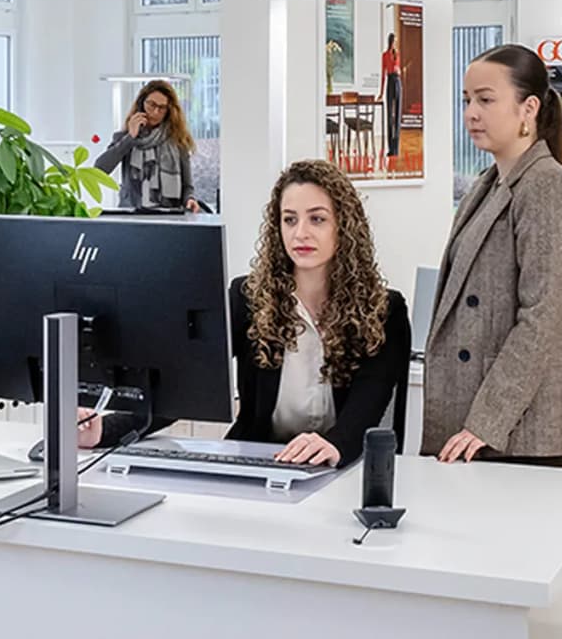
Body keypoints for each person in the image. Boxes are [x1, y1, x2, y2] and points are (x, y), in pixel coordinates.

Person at [85, 160, 410, 467]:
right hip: (258, 459)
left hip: (340, 466)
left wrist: (335, 445)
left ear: (344, 225)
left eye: (317, 219)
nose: (300, 234)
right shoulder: (249, 299)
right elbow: (191, 386)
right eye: (290, 219)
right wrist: (107, 428)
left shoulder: (384, 311)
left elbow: (367, 410)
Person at [425, 43, 562, 468]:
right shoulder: (487, 185)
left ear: (528, 108)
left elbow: (541, 320)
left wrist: (485, 422)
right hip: (476, 425)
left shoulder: (546, 186)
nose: (471, 113)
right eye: (466, 100)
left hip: (521, 435)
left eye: (485, 99)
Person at [94, 80, 200, 212]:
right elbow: (99, 169)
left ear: (169, 111)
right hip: (132, 216)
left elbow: (187, 185)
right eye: (151, 105)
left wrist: (190, 199)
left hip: (170, 217)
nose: (155, 112)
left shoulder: (177, 140)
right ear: (141, 104)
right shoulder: (125, 137)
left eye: (162, 108)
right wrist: (130, 138)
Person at [382, 32, 402, 157]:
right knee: (390, 116)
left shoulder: (397, 54)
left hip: (398, 82)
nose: (395, 43)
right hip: (389, 81)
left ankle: (396, 148)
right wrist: (380, 92)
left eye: (396, 41)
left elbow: (398, 68)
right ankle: (390, 148)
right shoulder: (384, 55)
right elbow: (383, 73)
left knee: (397, 116)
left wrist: (398, 71)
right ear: (390, 42)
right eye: (394, 41)